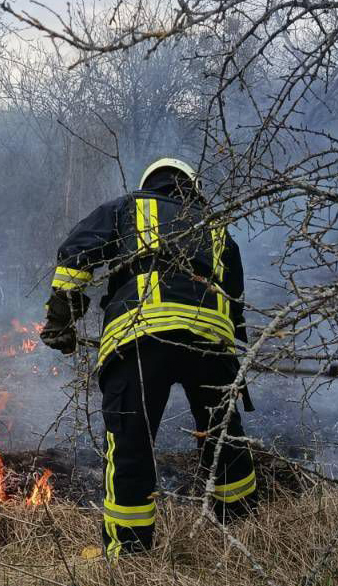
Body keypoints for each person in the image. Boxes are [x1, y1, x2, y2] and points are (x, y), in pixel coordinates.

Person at [40, 157, 257, 556]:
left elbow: (76, 254)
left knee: (131, 443)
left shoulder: (129, 206)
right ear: (192, 188)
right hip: (210, 340)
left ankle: (128, 555)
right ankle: (242, 536)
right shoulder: (216, 228)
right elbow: (236, 301)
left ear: (150, 183)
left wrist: (63, 320)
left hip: (141, 335)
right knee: (223, 436)